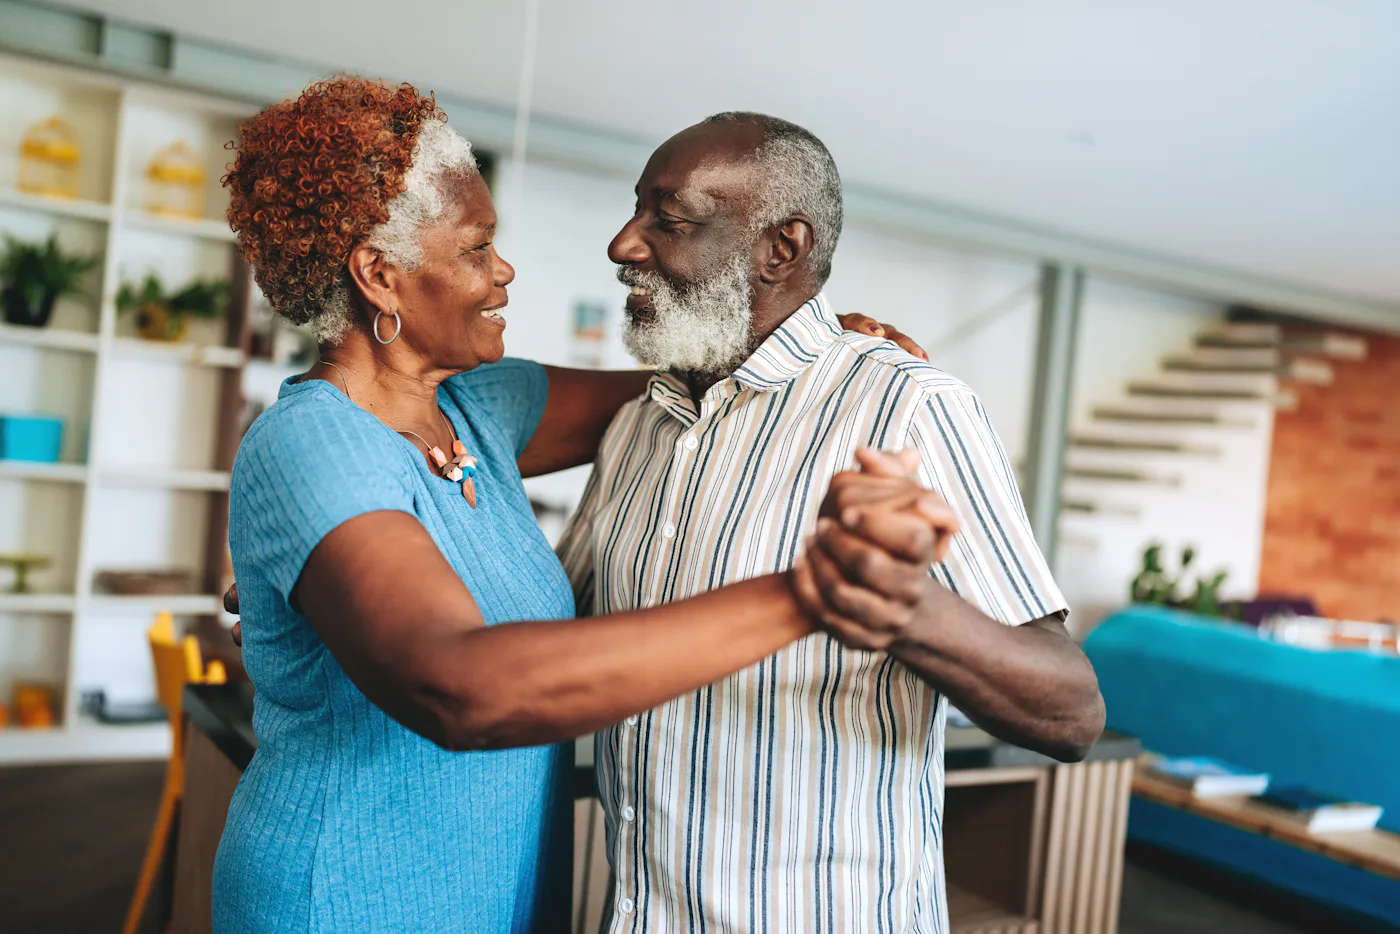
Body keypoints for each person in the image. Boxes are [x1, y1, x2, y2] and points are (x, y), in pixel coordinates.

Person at [212, 78, 941, 933]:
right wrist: (808, 594)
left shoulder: (479, 408)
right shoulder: (310, 446)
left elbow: (701, 378)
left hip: (492, 896)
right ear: (381, 276)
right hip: (347, 896)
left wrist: (809, 341)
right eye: (478, 248)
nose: (503, 271)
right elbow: (459, 688)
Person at [555, 112, 1107, 932]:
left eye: (668, 221)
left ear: (782, 248)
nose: (624, 245)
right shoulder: (643, 421)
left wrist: (907, 609)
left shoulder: (907, 405)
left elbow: (1072, 711)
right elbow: (565, 642)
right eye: (637, 212)